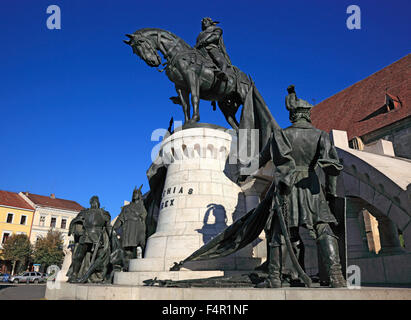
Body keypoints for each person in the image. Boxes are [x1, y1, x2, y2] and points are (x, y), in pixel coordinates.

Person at [256, 85, 346, 288]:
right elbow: (332, 167)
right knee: (324, 229)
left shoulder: (281, 135)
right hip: (312, 186)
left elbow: (265, 159)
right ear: (307, 115)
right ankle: (336, 276)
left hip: (288, 187)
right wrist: (330, 194)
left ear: (293, 116)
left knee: (283, 232)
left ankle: (274, 278)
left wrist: (244, 170)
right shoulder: (321, 136)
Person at [67, 196, 111, 283]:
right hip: (86, 235)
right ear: (91, 202)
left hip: (98, 237)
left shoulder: (103, 213)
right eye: (93, 201)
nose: (95, 203)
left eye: (96, 201)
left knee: (100, 257)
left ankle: (97, 276)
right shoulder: (84, 212)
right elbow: (75, 222)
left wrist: (111, 237)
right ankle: (74, 275)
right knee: (79, 256)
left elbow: (108, 226)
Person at [113, 186, 147, 270]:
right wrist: (114, 228)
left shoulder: (142, 206)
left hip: (138, 228)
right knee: (128, 251)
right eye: (133, 193)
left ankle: (143, 265)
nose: (134, 195)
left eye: (136, 193)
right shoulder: (126, 208)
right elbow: (120, 219)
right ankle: (127, 267)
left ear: (139, 195)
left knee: (142, 246)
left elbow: (144, 215)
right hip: (128, 229)